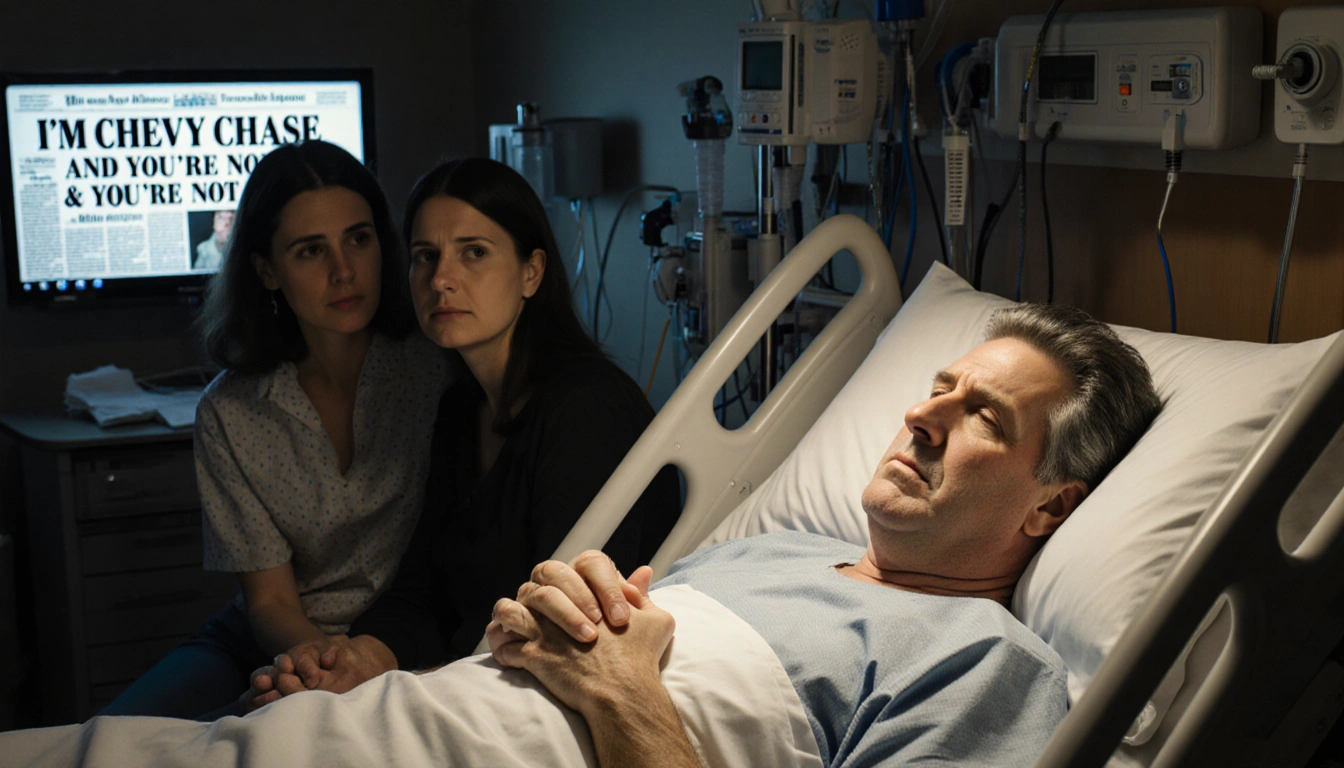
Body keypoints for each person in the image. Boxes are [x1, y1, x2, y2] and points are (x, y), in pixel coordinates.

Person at [484, 303, 1164, 766]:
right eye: (940, 389)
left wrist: (621, 693)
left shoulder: (983, 664)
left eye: (983, 415)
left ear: (1048, 509)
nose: (923, 414)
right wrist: (548, 621)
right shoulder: (766, 550)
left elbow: (616, 678)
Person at [245, 158, 681, 708]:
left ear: (532, 271)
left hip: (546, 696)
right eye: (425, 257)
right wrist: (356, 661)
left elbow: (570, 633)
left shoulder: (585, 410)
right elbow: (422, 587)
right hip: (473, 676)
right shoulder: (459, 408)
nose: (441, 279)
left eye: (474, 252)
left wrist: (402, 688)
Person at [100, 140, 449, 720]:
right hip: (271, 640)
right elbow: (269, 600)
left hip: (398, 635)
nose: (344, 270)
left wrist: (355, 664)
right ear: (266, 269)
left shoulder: (435, 369)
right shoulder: (230, 412)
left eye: (358, 239)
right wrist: (316, 662)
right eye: (311, 250)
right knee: (115, 738)